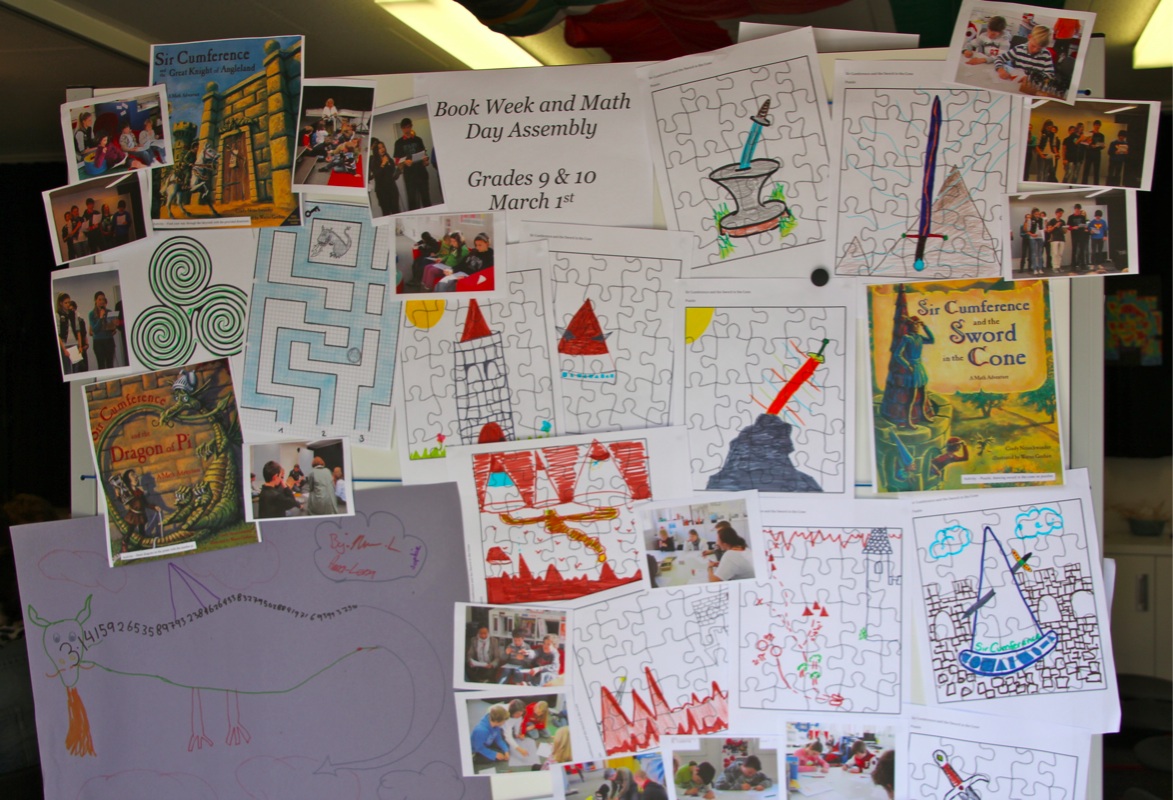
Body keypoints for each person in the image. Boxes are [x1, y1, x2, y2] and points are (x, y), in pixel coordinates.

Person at [880, 315, 935, 428]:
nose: (917, 327)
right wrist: (907, 365)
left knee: (923, 394)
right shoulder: (907, 338)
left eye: (918, 325)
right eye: (915, 325)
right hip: (912, 369)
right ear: (910, 326)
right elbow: (897, 354)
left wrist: (925, 326)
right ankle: (908, 421)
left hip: (920, 368)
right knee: (911, 397)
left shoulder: (919, 338)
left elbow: (932, 340)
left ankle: (923, 415)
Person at [394, 117, 432, 210]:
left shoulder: (418, 140)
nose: (407, 130)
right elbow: (397, 161)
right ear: (402, 129)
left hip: (421, 173)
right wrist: (404, 162)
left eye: (408, 127)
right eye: (404, 128)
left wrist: (425, 160)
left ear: (411, 127)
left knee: (426, 198)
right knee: (412, 201)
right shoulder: (398, 143)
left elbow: (424, 155)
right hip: (409, 176)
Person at [120, 469, 157, 545]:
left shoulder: (140, 492)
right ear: (128, 479)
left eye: (135, 474)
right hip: (133, 515)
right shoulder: (128, 492)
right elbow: (123, 501)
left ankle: (142, 544)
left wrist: (154, 507)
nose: (136, 476)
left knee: (142, 530)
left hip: (141, 515)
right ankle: (124, 543)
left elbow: (145, 503)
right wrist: (118, 494)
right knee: (130, 530)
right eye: (132, 475)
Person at [470, 704, 510, 768]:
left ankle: (495, 751)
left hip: (487, 741)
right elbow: (478, 747)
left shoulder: (496, 725)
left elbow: (498, 739)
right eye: (504, 720)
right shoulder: (481, 730)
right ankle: (475, 759)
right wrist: (494, 754)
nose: (504, 722)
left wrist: (506, 750)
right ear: (497, 721)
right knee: (493, 758)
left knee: (506, 747)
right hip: (476, 750)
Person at [369, 139, 401, 216]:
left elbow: (394, 176)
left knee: (396, 211)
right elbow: (376, 175)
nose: (382, 149)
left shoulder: (389, 159)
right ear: (376, 150)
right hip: (382, 191)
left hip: (392, 189)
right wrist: (383, 164)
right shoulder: (373, 161)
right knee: (386, 212)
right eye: (379, 148)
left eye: (383, 147)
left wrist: (399, 169)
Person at [89, 291, 118, 370]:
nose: (102, 301)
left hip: (109, 340)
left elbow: (113, 328)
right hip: (98, 342)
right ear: (95, 300)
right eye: (99, 299)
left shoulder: (109, 312)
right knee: (101, 365)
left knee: (110, 364)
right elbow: (95, 330)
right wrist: (101, 317)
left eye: (103, 299)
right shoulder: (91, 314)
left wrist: (115, 323)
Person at [56, 294, 81, 375]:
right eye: (65, 303)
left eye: (68, 302)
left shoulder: (73, 313)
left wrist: (80, 345)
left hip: (74, 343)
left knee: (76, 368)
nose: (67, 304)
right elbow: (58, 334)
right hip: (65, 345)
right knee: (67, 370)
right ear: (61, 303)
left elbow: (78, 330)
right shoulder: (58, 315)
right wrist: (63, 349)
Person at [1067, 203, 1090, 273]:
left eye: (1079, 210)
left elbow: (1085, 225)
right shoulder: (1071, 217)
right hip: (1074, 235)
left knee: (1082, 249)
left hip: (1081, 235)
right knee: (1074, 249)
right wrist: (1073, 227)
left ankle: (1083, 264)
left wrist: (1085, 227)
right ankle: (1073, 265)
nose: (1077, 211)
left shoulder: (1082, 217)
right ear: (1075, 209)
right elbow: (1068, 227)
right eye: (1076, 209)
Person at [1082, 120, 1105, 184]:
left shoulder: (1101, 135)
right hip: (1089, 152)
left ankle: (1096, 184)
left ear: (1100, 126)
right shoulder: (1089, 133)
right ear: (1094, 125)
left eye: (1098, 125)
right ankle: (1084, 183)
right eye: (1096, 125)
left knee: (1096, 170)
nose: (1097, 126)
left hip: (1097, 153)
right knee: (1086, 169)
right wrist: (1090, 145)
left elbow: (1102, 144)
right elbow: (1084, 143)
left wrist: (1099, 146)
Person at [1045, 208, 1067, 272]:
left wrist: (1065, 229)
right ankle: (1054, 266)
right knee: (1055, 253)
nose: (1061, 214)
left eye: (1062, 213)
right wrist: (1055, 226)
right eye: (1060, 213)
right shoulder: (1052, 221)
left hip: (1061, 238)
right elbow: (1049, 230)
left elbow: (1065, 231)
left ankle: (1058, 266)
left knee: (1060, 254)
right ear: (1056, 213)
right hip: (1054, 239)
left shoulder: (1063, 221)